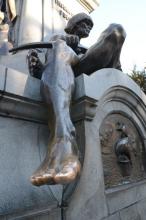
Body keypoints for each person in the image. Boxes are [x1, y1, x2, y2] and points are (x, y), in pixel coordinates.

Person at [28, 13, 126, 186]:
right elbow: (45, 67)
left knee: (117, 30)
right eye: (84, 23)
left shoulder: (90, 47)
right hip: (66, 66)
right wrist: (62, 42)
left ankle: (63, 144)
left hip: (88, 65)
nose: (88, 27)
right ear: (73, 26)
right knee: (59, 46)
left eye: (90, 25)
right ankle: (64, 142)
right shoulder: (59, 39)